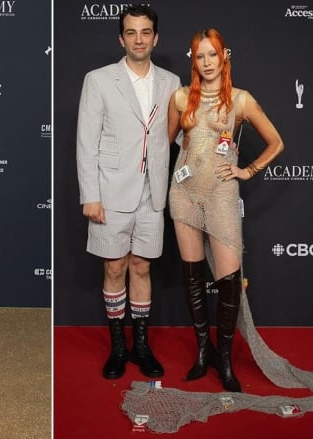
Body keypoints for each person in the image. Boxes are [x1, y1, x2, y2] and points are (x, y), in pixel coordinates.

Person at [167, 28, 283, 392]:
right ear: (194, 61)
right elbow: (167, 141)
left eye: (212, 55)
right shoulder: (181, 96)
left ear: (223, 57)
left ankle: (224, 360)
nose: (206, 63)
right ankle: (204, 352)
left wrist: (245, 170)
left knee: (229, 284)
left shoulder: (241, 100)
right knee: (192, 277)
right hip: (183, 194)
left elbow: (276, 142)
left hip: (222, 196)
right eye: (200, 56)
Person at [76, 5, 181, 380]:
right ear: (122, 39)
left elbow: (179, 134)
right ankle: (118, 348)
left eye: (146, 32)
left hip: (153, 193)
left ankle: (142, 345)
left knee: (141, 266)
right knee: (115, 266)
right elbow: (86, 142)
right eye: (132, 33)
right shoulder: (99, 80)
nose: (139, 39)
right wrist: (91, 195)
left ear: (156, 38)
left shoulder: (171, 82)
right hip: (110, 192)